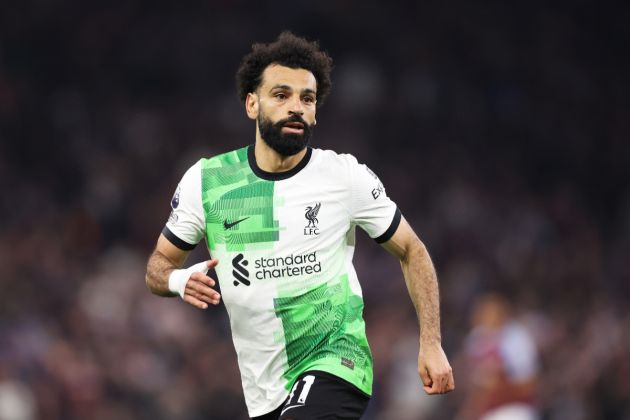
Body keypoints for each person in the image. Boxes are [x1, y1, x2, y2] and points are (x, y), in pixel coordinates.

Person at [145, 31, 454, 419]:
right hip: (265, 390)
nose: (297, 107)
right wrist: (178, 280)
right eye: (281, 95)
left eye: (307, 99)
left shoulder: (344, 176)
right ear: (251, 104)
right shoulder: (208, 181)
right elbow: (158, 267)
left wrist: (431, 342)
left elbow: (412, 250)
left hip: (336, 361)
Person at [456, 293, 539, 420]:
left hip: (514, 410)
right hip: (485, 412)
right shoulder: (475, 339)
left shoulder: (516, 338)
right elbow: (472, 387)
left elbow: (529, 385)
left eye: (490, 313)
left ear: (502, 314)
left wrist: (498, 382)